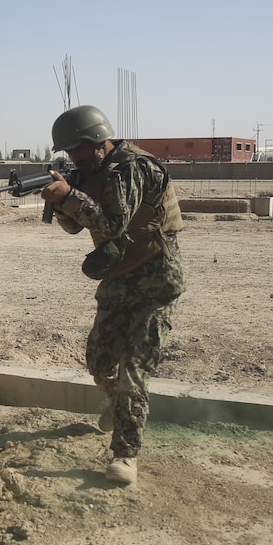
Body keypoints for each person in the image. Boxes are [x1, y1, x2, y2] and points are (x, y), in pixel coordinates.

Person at [40, 105, 185, 486]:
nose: (73, 158)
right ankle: (120, 407)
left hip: (156, 281)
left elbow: (113, 223)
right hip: (119, 278)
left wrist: (70, 194)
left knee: (133, 371)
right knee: (99, 361)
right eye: (69, 153)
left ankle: (125, 455)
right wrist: (60, 202)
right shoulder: (94, 172)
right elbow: (76, 226)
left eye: (78, 149)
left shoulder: (133, 168)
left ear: (97, 141)